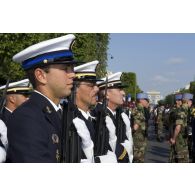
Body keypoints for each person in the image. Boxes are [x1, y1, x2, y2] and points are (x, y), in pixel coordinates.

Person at [7, 34, 76, 162]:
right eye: (65, 68)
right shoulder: (26, 118)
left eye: (72, 68)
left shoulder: (60, 113)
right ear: (41, 75)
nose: (73, 74)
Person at [73, 61, 117, 162]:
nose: (97, 89)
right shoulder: (72, 121)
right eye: (90, 85)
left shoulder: (94, 118)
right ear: (75, 89)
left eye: (96, 85)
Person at [95, 72, 133, 163]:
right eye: (119, 89)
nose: (123, 93)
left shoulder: (119, 115)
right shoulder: (99, 116)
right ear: (107, 94)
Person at [170, 93, 193, 163]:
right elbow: (178, 127)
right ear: (188, 101)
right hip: (180, 142)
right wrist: (173, 139)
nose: (192, 103)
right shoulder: (182, 111)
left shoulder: (183, 110)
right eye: (191, 101)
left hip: (182, 140)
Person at [131, 92, 149, 163]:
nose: (147, 101)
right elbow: (135, 127)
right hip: (138, 141)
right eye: (146, 100)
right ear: (141, 100)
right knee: (138, 160)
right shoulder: (139, 110)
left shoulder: (139, 109)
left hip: (139, 139)